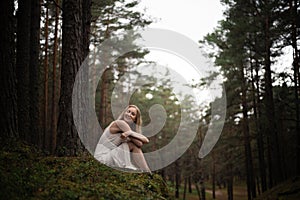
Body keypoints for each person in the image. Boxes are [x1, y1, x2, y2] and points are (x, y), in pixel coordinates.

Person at [94, 105, 151, 172]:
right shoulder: (121, 123)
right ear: (124, 113)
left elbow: (142, 142)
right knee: (132, 144)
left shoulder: (125, 128)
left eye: (133, 114)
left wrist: (130, 133)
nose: (129, 114)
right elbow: (139, 144)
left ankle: (146, 172)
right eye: (128, 111)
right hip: (102, 158)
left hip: (105, 156)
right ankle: (147, 172)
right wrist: (131, 133)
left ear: (135, 119)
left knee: (130, 144)